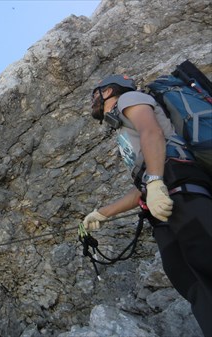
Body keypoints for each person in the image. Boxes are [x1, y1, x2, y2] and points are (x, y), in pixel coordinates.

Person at [83, 74, 212, 336]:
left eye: (93, 95)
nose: (92, 102)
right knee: (195, 287)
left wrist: (154, 182)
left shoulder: (129, 99)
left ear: (107, 91)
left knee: (207, 266)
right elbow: (143, 182)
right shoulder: (122, 127)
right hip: (165, 209)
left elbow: (151, 132)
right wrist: (102, 213)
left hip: (184, 195)